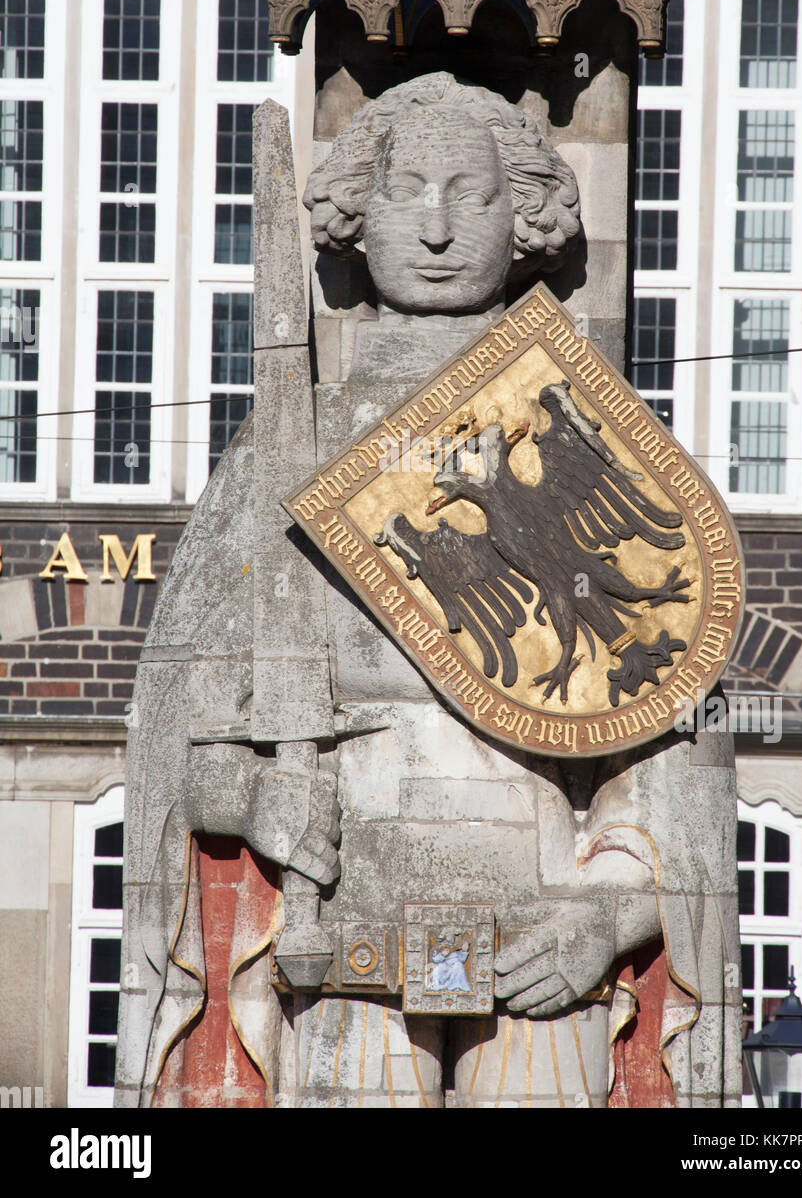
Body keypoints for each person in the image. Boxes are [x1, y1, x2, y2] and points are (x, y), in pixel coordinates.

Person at [117, 74, 739, 1109]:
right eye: (408, 190)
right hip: (345, 948)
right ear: (361, 211)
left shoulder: (579, 421)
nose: (440, 227)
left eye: (473, 194)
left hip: (547, 949)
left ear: (525, 214)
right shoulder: (289, 446)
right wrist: (261, 798)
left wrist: (613, 912)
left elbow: (672, 740)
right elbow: (188, 731)